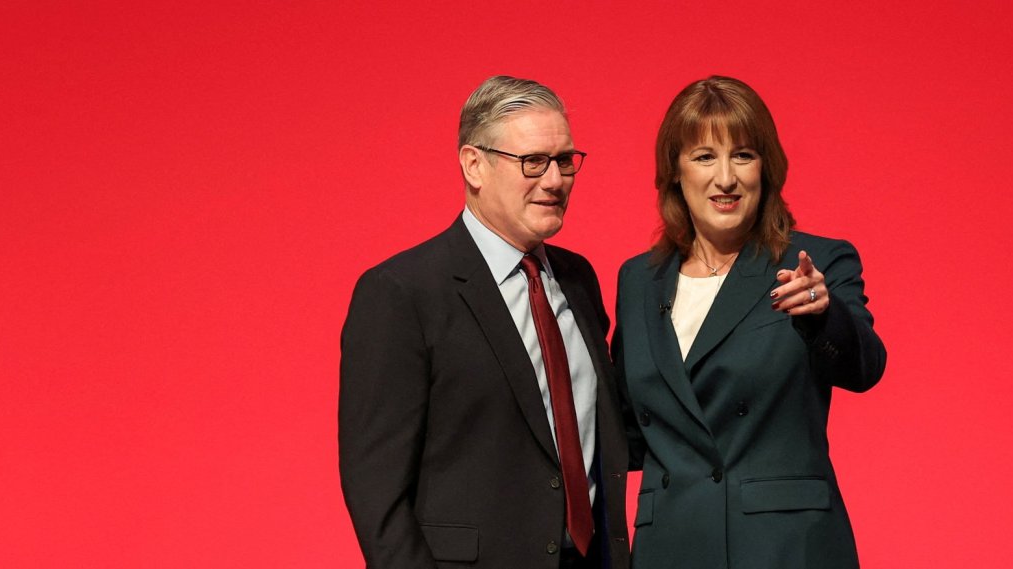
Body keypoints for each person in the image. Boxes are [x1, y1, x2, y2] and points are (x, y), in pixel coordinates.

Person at [340, 76, 629, 569]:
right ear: (474, 164)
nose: (555, 180)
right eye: (533, 161)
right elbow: (377, 494)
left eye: (564, 161)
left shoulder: (577, 279)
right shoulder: (401, 293)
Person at [612, 76, 887, 569]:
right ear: (675, 171)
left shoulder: (816, 261)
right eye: (704, 157)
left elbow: (864, 366)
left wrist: (823, 315)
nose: (725, 179)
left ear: (767, 168)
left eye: (742, 155)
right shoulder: (639, 279)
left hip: (782, 546)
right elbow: (625, 428)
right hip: (671, 545)